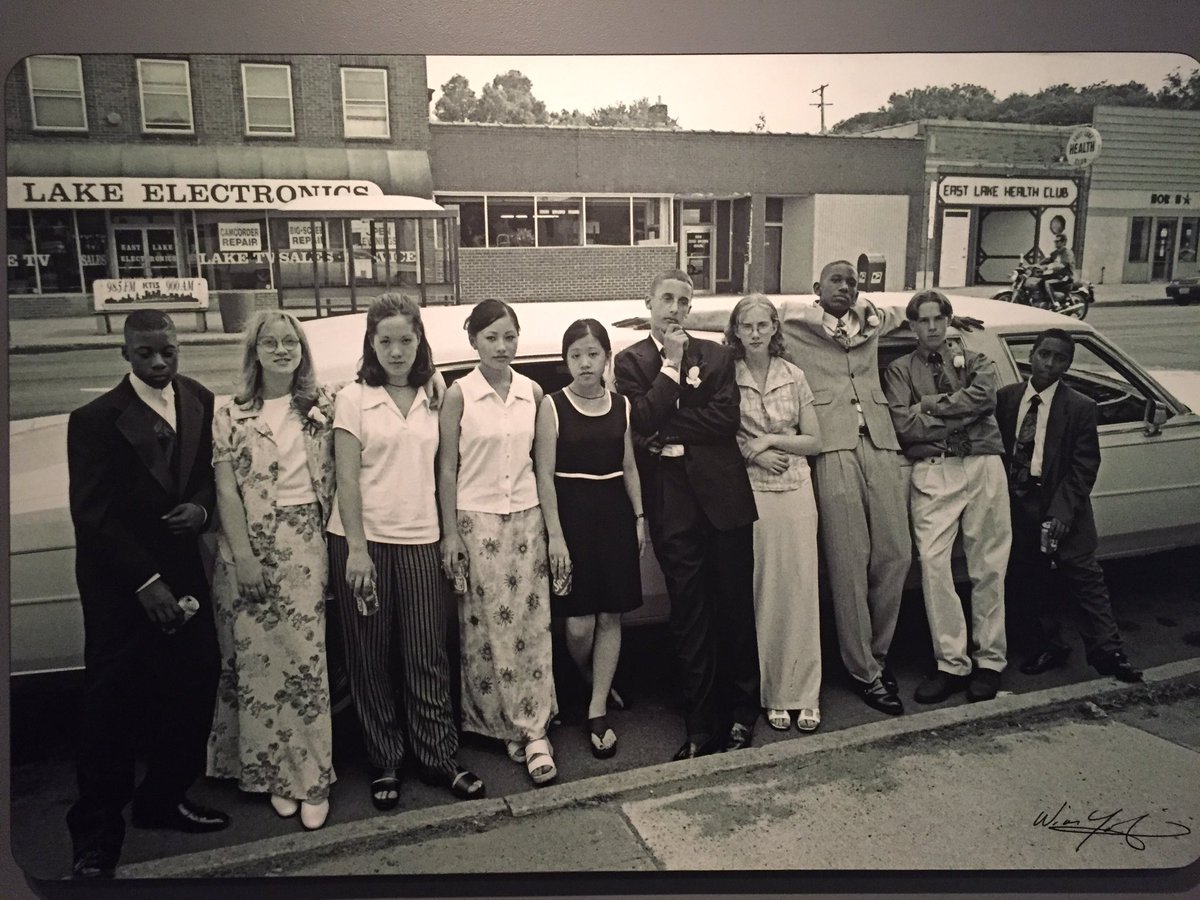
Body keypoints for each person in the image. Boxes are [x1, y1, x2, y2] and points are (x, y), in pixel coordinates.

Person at [65, 309, 227, 879]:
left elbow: (211, 470)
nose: (158, 363)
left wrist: (203, 506)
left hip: (185, 577)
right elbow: (93, 515)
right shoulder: (94, 419)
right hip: (120, 585)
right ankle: (95, 836)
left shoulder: (200, 399)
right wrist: (146, 582)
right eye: (145, 354)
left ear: (179, 346)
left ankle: (163, 796)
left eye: (168, 351)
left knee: (194, 683)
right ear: (126, 354)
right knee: (111, 705)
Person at [327, 293, 485, 810]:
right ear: (372, 345)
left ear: (420, 343)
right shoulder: (353, 398)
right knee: (369, 657)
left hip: (420, 539)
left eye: (406, 339)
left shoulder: (433, 395)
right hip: (363, 543)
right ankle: (385, 759)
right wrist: (355, 551)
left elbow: (445, 473)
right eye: (386, 341)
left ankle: (437, 757)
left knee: (426, 653)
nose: (397, 350)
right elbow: (346, 480)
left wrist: (449, 534)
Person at [614, 269, 760, 761]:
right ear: (649, 303)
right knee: (689, 614)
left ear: (691, 308)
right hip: (672, 504)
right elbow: (640, 421)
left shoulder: (717, 355)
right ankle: (701, 726)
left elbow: (726, 419)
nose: (675, 309)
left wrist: (670, 424)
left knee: (736, 607)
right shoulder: (630, 360)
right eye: (666, 300)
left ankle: (743, 712)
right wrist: (672, 367)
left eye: (683, 301)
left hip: (725, 500)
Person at [205, 311, 337, 831]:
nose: (282, 350)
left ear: (302, 349)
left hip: (305, 543)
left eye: (291, 342)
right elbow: (225, 492)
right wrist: (243, 556)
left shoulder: (323, 405)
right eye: (270, 342)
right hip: (246, 548)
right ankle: (268, 773)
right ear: (254, 351)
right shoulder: (230, 414)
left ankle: (309, 776)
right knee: (256, 667)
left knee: (305, 664)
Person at [438, 299, 559, 786]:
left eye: (509, 336)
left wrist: (556, 535)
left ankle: (533, 731)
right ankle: (505, 724)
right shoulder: (458, 395)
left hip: (527, 520)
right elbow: (446, 469)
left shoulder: (534, 394)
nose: (502, 346)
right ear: (473, 340)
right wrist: (450, 533)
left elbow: (545, 473)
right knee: (486, 631)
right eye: (491, 337)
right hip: (476, 524)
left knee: (532, 626)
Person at [883, 291, 1011, 705]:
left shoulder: (976, 360)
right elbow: (903, 423)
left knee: (988, 565)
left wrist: (932, 406)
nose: (932, 327)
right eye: (923, 320)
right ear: (913, 326)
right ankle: (951, 663)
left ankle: (990, 661)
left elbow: (986, 397)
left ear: (949, 320)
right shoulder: (900, 370)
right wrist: (960, 421)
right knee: (935, 567)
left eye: (939, 318)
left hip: (982, 466)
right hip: (935, 470)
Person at [996, 328, 1143, 684]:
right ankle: (1049, 644)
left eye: (1060, 358)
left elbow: (1084, 466)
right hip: (1019, 501)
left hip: (1063, 502)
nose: (1049, 363)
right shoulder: (1007, 398)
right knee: (1030, 578)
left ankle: (1109, 652)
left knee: (1083, 575)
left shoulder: (1079, 407)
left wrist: (1062, 513)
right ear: (1031, 355)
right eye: (1044, 354)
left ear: (1068, 364)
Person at [535, 319, 646, 759]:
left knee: (610, 617)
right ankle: (584, 676)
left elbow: (630, 466)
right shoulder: (552, 405)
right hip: (573, 517)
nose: (585, 362)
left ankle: (597, 708)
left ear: (605, 358)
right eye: (576, 354)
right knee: (579, 623)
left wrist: (639, 517)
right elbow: (543, 474)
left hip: (615, 516)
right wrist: (556, 536)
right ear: (566, 361)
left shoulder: (622, 405)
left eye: (593, 353)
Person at [725, 294, 823, 733]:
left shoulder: (795, 375)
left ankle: (806, 693)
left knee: (802, 590)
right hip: (755, 496)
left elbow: (813, 441)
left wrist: (768, 443)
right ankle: (772, 695)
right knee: (764, 592)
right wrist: (753, 454)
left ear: (775, 330)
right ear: (737, 331)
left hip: (798, 492)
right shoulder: (728, 377)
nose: (757, 333)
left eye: (764, 325)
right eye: (748, 326)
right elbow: (721, 439)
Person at [1038, 234, 1076, 308]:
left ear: (1064, 242)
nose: (1056, 243)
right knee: (1040, 280)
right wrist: (1035, 265)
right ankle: (1045, 301)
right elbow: (1047, 260)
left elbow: (1062, 265)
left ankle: (1054, 303)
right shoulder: (1055, 253)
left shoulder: (1068, 253)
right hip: (1057, 275)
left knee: (1047, 283)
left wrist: (1048, 267)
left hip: (1066, 276)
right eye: (1055, 241)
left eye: (1058, 241)